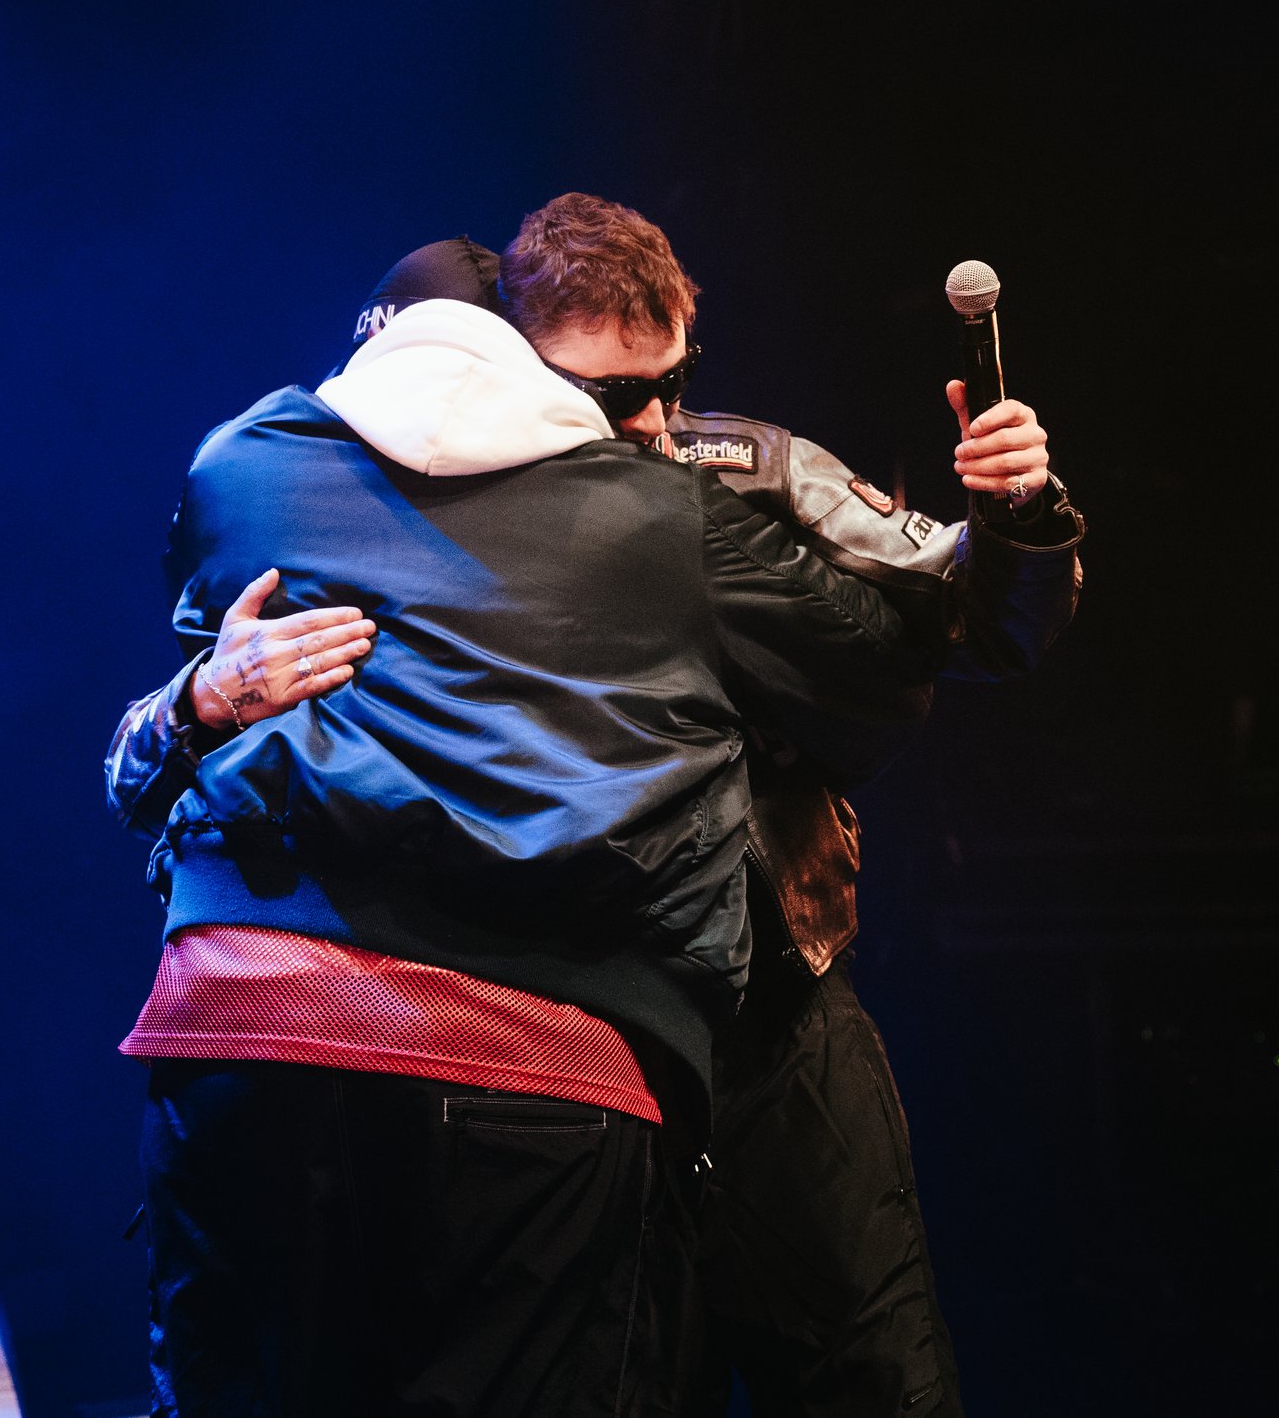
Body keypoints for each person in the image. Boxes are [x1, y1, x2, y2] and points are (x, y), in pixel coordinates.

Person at [113, 196, 1085, 1416]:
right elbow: (147, 767)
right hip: (563, 1022)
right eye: (616, 396)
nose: (654, 422)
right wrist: (199, 700)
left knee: (869, 1372)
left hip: (762, 1006)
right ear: (504, 356)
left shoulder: (738, 469)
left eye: (674, 381)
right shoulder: (372, 483)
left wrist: (1013, 511)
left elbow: (969, 629)